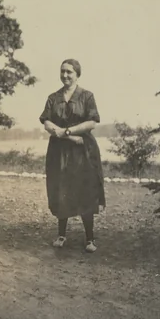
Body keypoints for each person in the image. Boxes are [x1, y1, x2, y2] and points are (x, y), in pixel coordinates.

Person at [39, 59, 105, 253]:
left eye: (69, 72)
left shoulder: (87, 96)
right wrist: (57, 131)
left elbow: (92, 122)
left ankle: (90, 239)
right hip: (59, 151)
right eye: (62, 72)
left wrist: (67, 132)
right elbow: (46, 121)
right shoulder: (53, 98)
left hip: (82, 150)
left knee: (85, 189)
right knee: (61, 188)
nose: (65, 75)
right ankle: (61, 234)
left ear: (77, 74)